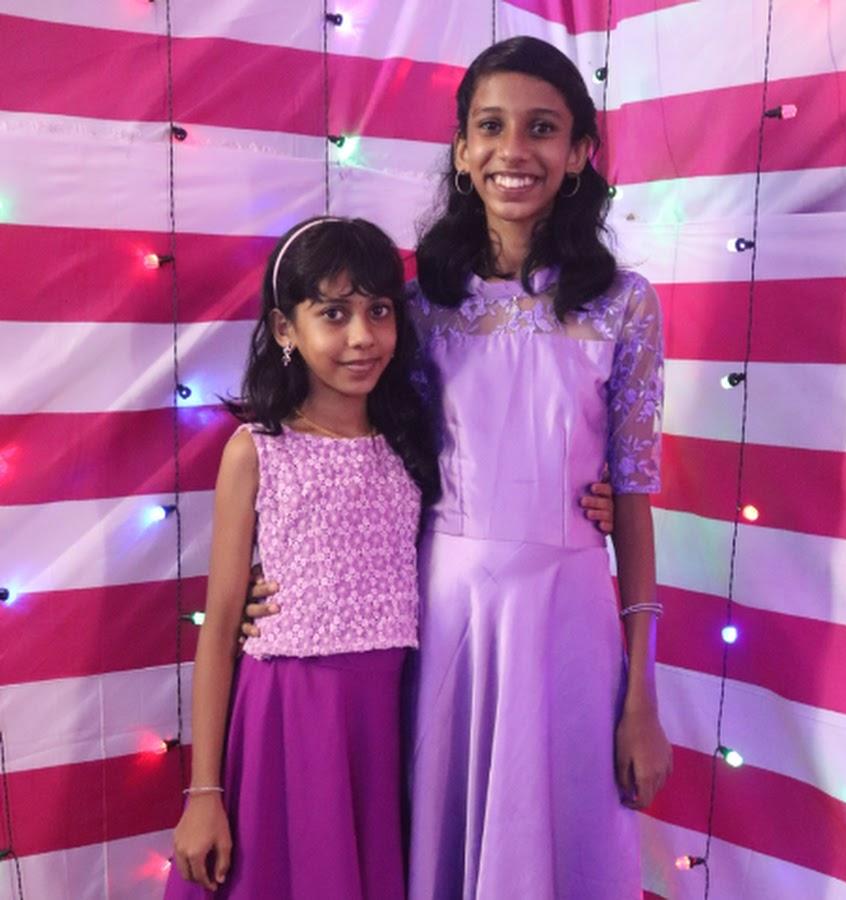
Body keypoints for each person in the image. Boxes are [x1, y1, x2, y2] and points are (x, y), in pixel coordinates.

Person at [248, 35, 672, 899]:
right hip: (443, 610)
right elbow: (362, 453)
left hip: (569, 615)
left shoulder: (624, 305)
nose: (516, 149)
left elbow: (631, 498)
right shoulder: (412, 308)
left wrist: (643, 697)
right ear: (461, 149)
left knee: (561, 834)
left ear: (579, 153)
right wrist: (284, 564)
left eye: (543, 127)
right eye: (491, 126)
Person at [164, 216, 440, 899]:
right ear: (286, 328)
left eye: (379, 310)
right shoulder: (258, 450)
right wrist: (204, 791)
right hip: (289, 720)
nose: (362, 336)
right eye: (334, 314)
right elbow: (220, 627)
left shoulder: (412, 443)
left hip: (388, 719)